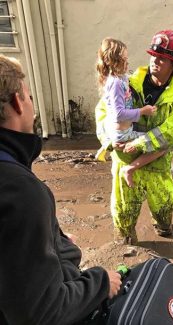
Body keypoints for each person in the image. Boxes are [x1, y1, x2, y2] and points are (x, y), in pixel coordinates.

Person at [0, 55, 121, 324]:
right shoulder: (21, 192)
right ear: (19, 103)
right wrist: (100, 282)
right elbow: (41, 313)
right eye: (29, 97)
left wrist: (54, 241)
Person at [106, 30, 173, 245]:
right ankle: (125, 243)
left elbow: (170, 132)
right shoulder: (126, 84)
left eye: (163, 58)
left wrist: (138, 143)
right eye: (154, 55)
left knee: (164, 207)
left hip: (156, 164)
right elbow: (104, 112)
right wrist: (108, 136)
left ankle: (163, 228)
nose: (155, 61)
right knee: (124, 210)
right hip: (125, 161)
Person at [95, 37, 166, 187]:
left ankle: (109, 143)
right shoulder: (115, 84)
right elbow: (118, 114)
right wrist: (142, 111)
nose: (128, 62)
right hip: (125, 133)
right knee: (162, 146)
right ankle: (130, 169)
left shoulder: (121, 78)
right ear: (113, 62)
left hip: (119, 128)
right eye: (124, 60)